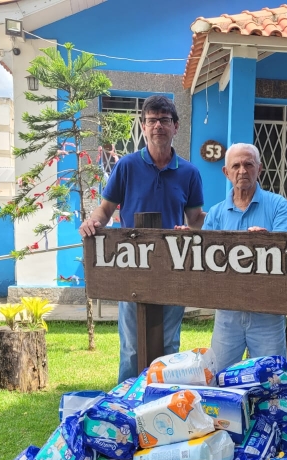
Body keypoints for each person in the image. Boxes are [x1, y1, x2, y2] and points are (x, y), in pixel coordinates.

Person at [79, 95, 206, 382]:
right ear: (143, 126)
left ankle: (165, 405)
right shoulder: (126, 166)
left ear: (176, 126)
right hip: (132, 267)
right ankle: (126, 408)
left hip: (174, 268)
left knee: (169, 345)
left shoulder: (189, 173)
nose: (158, 125)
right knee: (132, 348)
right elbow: (107, 208)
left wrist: (225, 219)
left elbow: (196, 219)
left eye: (164, 120)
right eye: (152, 120)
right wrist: (93, 222)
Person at [201, 143, 287, 371]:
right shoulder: (215, 213)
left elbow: (284, 255)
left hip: (267, 312)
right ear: (226, 172)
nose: (242, 170)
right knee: (219, 380)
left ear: (259, 169)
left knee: (273, 381)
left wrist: (268, 243)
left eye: (248, 164)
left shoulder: (279, 205)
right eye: (236, 165)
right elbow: (203, 257)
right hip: (227, 314)